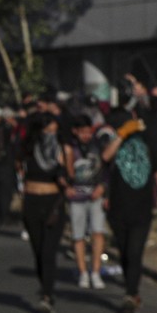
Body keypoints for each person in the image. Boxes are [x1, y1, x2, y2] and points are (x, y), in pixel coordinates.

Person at [101, 106, 157, 313]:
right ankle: (131, 287)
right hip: (118, 208)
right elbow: (106, 156)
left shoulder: (147, 143)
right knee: (124, 251)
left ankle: (131, 293)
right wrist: (122, 134)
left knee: (135, 251)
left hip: (141, 208)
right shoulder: (113, 139)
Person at [20, 107, 66, 313]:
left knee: (49, 251)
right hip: (31, 201)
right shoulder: (28, 149)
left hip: (52, 202)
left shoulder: (61, 150)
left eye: (54, 131)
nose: (51, 136)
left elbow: (68, 175)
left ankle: (47, 296)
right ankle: (44, 286)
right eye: (47, 131)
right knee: (38, 251)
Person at [64, 112, 109, 289]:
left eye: (88, 131)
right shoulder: (69, 148)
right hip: (77, 196)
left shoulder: (97, 146)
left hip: (95, 194)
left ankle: (96, 271)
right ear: (75, 131)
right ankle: (83, 272)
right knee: (78, 235)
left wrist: (103, 187)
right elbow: (64, 171)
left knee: (98, 232)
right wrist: (67, 186)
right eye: (82, 131)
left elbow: (106, 168)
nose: (86, 135)